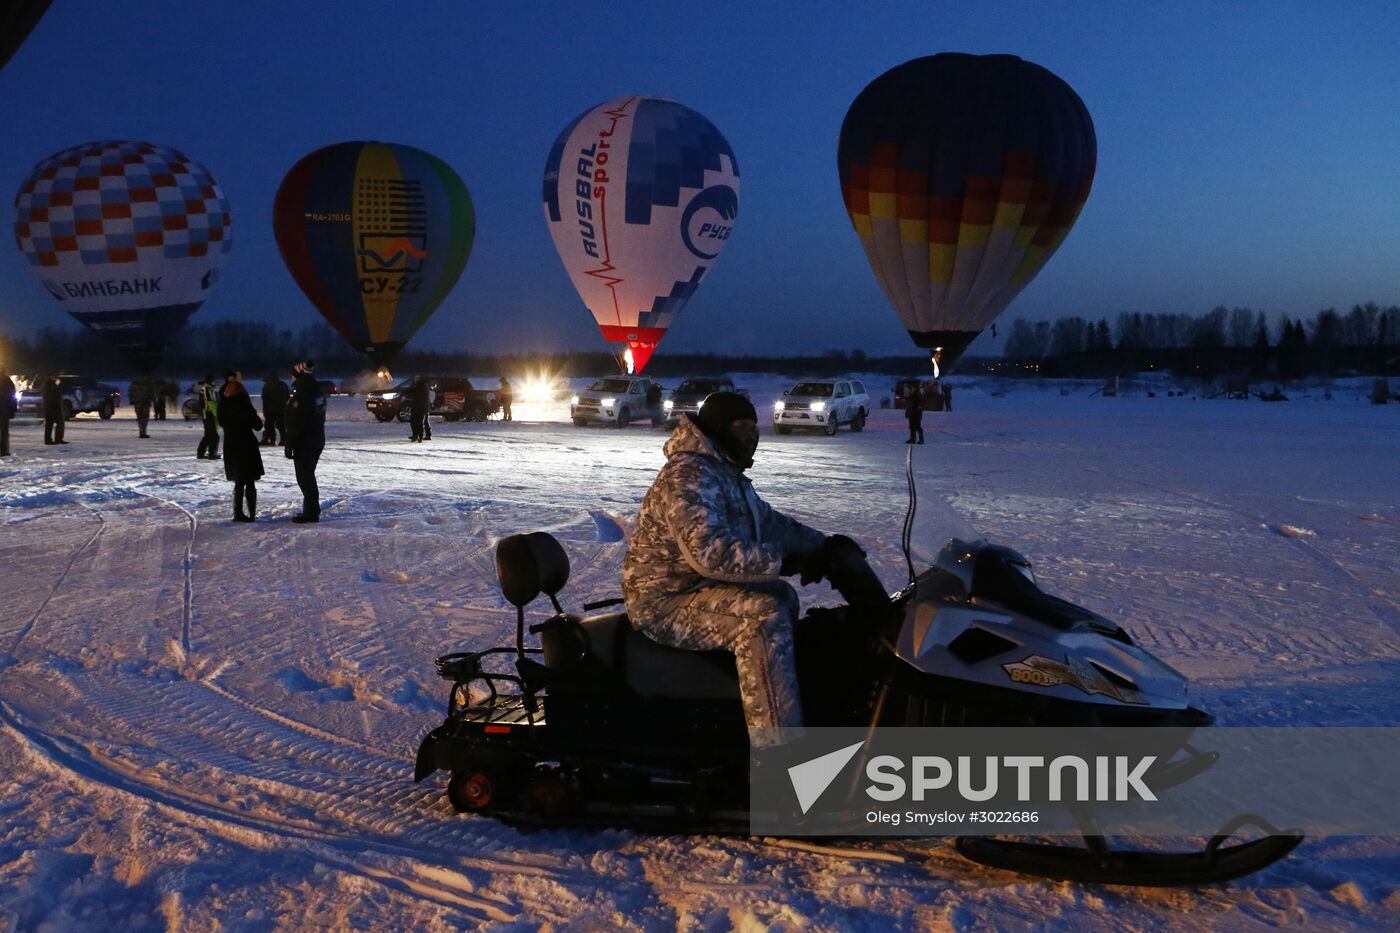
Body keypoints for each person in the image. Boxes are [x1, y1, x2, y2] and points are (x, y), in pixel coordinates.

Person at [622, 391, 839, 747]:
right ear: (720, 429)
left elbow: (768, 522)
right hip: (664, 601)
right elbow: (709, 552)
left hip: (698, 589)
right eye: (741, 427)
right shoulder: (689, 474)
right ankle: (777, 754)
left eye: (754, 428)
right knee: (762, 617)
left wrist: (823, 545)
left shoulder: (723, 473)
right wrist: (785, 560)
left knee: (781, 595)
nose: (750, 436)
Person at [217, 372, 264, 522]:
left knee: (239, 481)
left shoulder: (222, 407)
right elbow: (258, 426)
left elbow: (222, 423)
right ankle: (251, 513)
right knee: (249, 481)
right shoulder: (244, 406)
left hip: (231, 445)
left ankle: (238, 512)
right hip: (246, 445)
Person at [284, 360, 326, 523]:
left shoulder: (302, 393)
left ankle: (311, 512)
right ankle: (310, 509)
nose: (291, 378)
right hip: (317, 438)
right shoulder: (317, 391)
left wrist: (289, 444)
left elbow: (296, 422)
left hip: (305, 441)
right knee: (308, 476)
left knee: (305, 477)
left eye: (293, 376)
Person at [260, 370, 289, 446]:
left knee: (269, 425)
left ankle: (271, 440)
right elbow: (287, 396)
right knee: (281, 425)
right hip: (281, 409)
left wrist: (265, 410)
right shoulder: (283, 385)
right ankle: (283, 439)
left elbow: (264, 398)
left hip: (270, 410)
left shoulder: (266, 386)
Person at [195, 375, 220, 459]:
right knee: (214, 436)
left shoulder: (204, 389)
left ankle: (201, 453)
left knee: (208, 435)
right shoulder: (208, 389)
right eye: (213, 381)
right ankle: (212, 453)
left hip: (205, 414)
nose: (214, 383)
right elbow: (211, 403)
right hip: (209, 414)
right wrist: (217, 413)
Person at [42, 372, 67, 445]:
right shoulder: (48, 384)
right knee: (50, 424)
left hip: (53, 407)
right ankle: (49, 440)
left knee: (58, 423)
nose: (56, 377)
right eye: (55, 376)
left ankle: (57, 439)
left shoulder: (52, 384)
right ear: (51, 376)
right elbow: (50, 396)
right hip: (51, 407)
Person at [409, 375, 431, 442]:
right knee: (417, 422)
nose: (414, 380)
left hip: (420, 408)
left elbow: (414, 394)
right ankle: (417, 436)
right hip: (420, 407)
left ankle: (419, 436)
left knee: (419, 422)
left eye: (416, 379)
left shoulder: (420, 387)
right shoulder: (420, 386)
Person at [0, 366, 15, 457]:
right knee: (4, 432)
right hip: (4, 410)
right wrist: (12, 409)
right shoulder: (7, 380)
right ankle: (4, 450)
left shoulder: (7, 381)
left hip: (4, 409)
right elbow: (12, 396)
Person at [906, 380, 925, 445]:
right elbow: (909, 405)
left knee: (917, 426)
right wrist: (907, 412)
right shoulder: (911, 395)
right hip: (912, 413)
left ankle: (921, 440)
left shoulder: (917, 394)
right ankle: (912, 439)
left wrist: (917, 412)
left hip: (916, 413)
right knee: (911, 426)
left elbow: (920, 405)